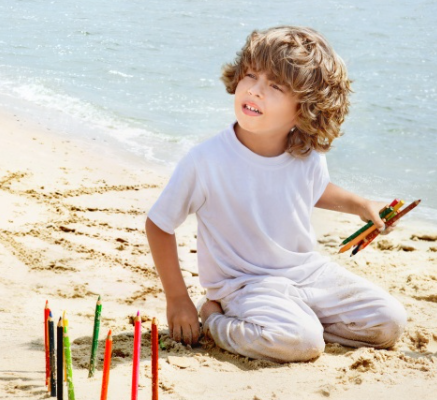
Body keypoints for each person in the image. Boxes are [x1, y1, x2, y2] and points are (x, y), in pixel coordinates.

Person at [145, 26, 407, 363]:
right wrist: (178, 299)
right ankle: (217, 320)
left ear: (305, 107)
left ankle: (298, 323)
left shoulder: (307, 154)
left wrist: (361, 205)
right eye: (251, 75)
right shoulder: (206, 161)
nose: (254, 90)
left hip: (306, 272)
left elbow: (309, 190)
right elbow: (159, 224)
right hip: (245, 284)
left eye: (275, 86)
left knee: (389, 323)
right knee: (302, 343)